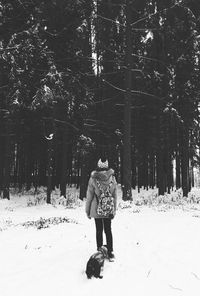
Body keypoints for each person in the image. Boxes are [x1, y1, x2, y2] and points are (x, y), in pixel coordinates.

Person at [85, 158, 117, 260]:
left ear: (98, 166)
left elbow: (89, 196)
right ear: (107, 166)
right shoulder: (112, 179)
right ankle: (110, 252)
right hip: (108, 209)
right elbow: (115, 196)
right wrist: (114, 210)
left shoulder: (93, 179)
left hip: (96, 208)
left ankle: (100, 252)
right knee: (108, 230)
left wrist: (88, 211)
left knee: (99, 230)